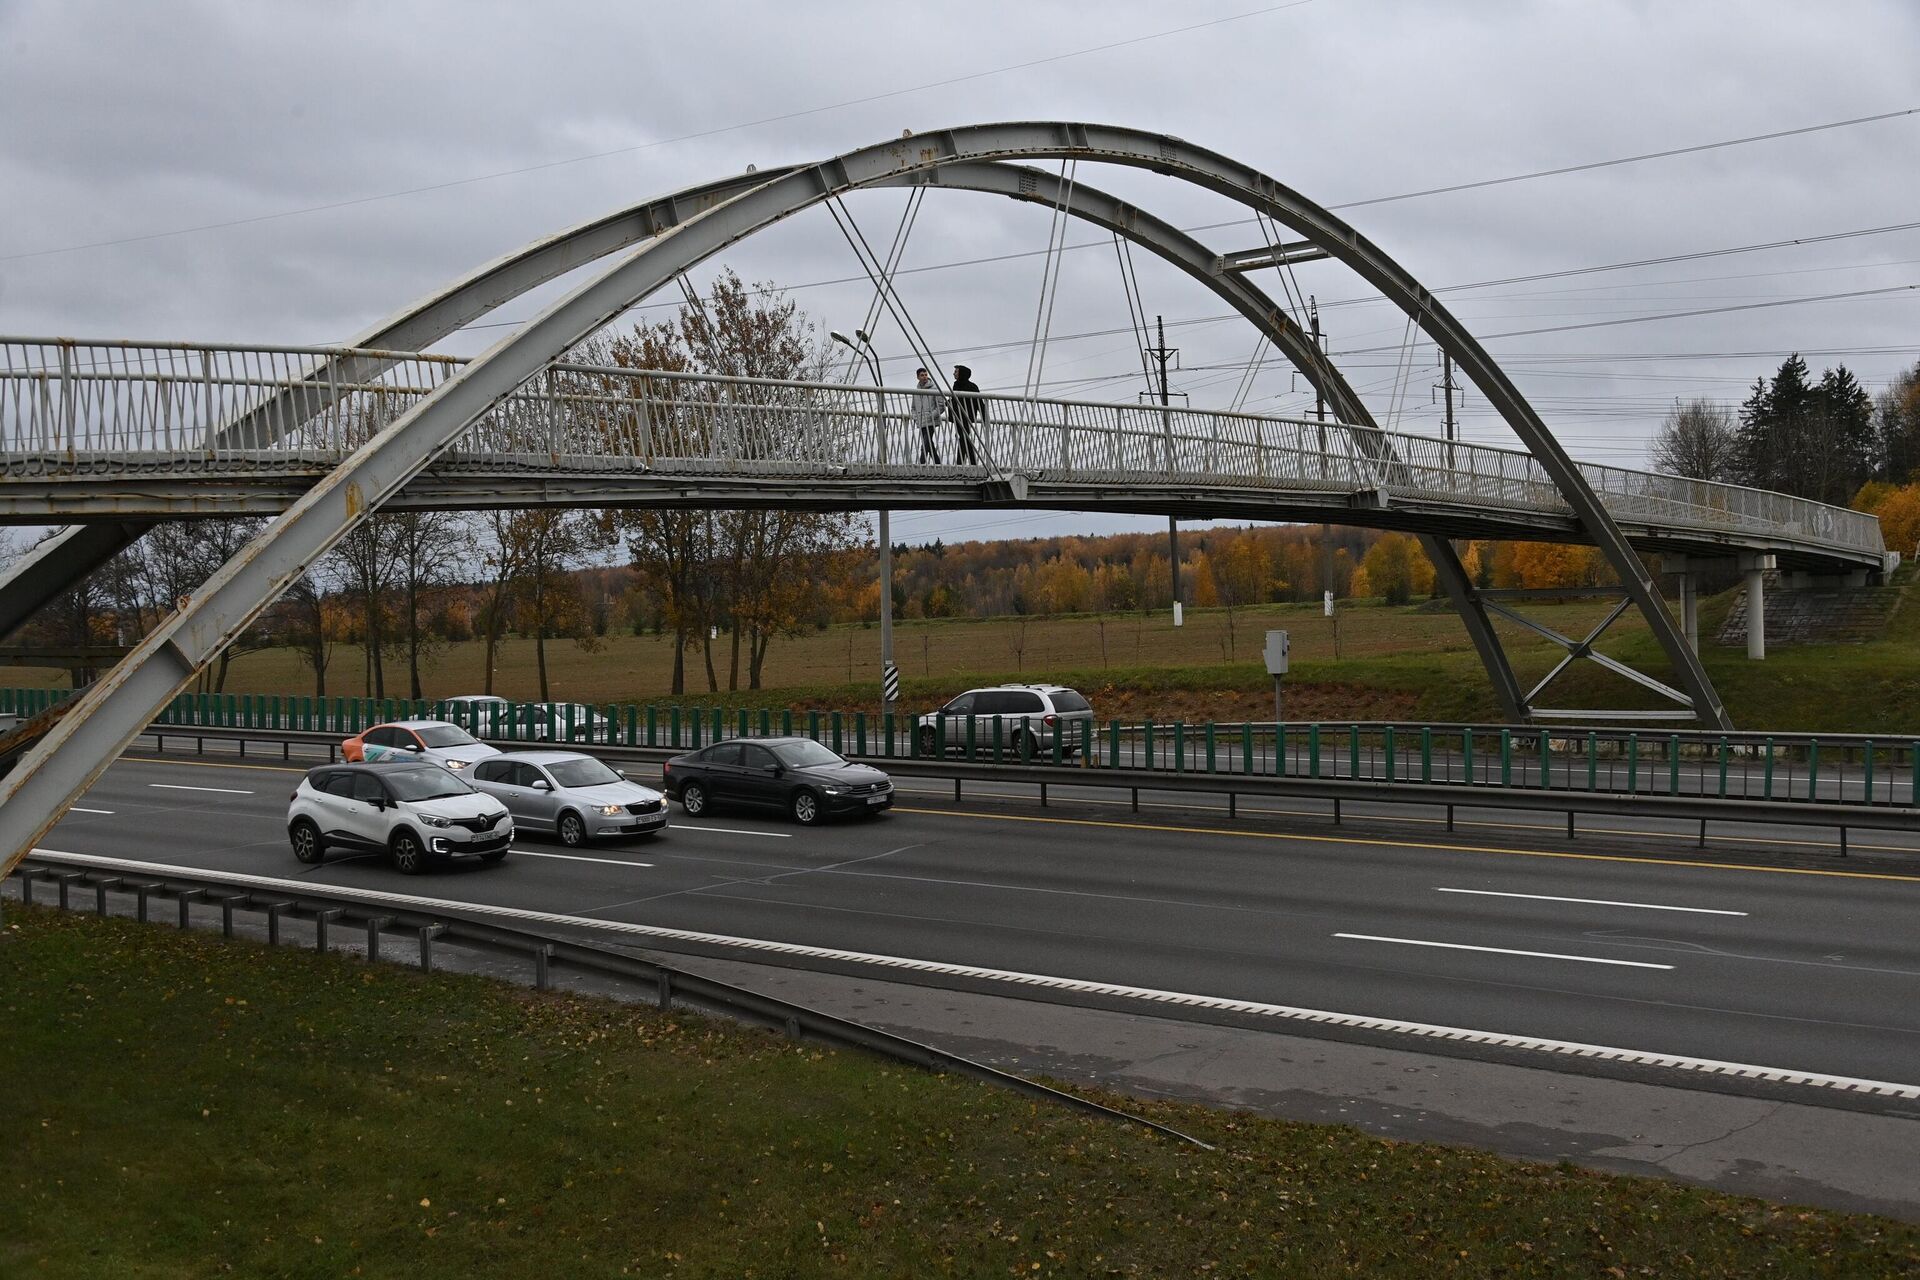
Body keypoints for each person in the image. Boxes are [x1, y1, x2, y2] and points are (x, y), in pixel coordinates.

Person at [949, 364, 982, 466]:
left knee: (964, 438)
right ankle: (972, 463)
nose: (953, 373)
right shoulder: (957, 385)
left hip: (965, 416)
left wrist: (984, 416)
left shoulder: (971, 386)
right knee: (965, 438)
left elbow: (979, 402)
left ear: (961, 374)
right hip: (958, 416)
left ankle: (960, 464)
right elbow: (955, 400)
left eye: (956, 372)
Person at [909, 366, 944, 463]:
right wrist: (916, 418)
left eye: (925, 375)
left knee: (925, 443)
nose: (924, 377)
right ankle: (937, 463)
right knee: (928, 443)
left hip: (931, 421)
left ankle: (921, 463)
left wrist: (930, 416)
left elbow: (941, 406)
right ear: (918, 377)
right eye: (922, 375)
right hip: (921, 421)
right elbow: (913, 408)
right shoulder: (916, 392)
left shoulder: (934, 389)